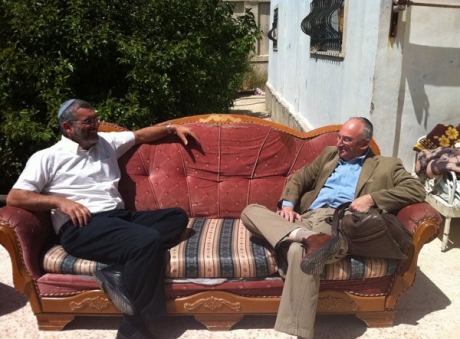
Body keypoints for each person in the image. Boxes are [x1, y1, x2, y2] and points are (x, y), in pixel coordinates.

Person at [6, 99, 199, 339]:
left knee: (176, 217)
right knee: (146, 241)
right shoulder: (47, 157)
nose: (97, 125)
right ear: (68, 127)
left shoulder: (107, 143)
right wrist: (59, 201)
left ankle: (116, 270)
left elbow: (139, 136)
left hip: (118, 218)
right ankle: (134, 327)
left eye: (96, 119)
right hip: (81, 226)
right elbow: (16, 196)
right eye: (89, 122)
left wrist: (171, 128)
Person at [241, 117, 426, 339]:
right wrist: (288, 205)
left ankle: (298, 331)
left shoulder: (387, 165)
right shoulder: (330, 155)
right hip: (304, 218)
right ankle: (307, 237)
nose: (338, 143)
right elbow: (299, 179)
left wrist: (372, 198)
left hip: (336, 221)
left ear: (364, 144)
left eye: (346, 140)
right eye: (339, 137)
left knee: (298, 252)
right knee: (250, 211)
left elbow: (416, 190)